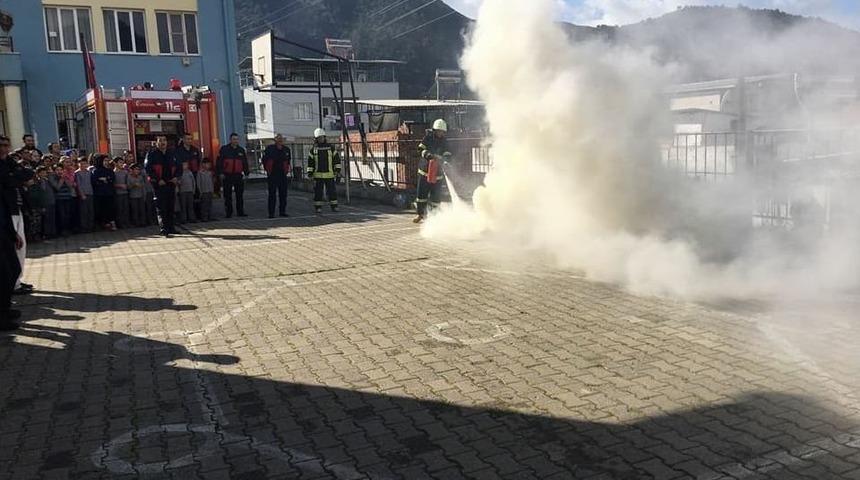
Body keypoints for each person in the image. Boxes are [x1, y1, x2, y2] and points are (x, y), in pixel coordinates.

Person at [0, 136, 24, 329]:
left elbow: (24, 175)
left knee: (13, 269)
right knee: (5, 273)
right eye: (1, 146)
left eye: (6, 146)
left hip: (3, 224)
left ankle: (5, 309)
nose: (5, 149)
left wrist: (11, 232)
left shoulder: (6, 164)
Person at [414, 119, 453, 223]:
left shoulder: (445, 141)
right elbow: (420, 149)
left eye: (442, 131)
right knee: (421, 195)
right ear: (434, 130)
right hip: (424, 172)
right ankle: (420, 214)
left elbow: (448, 153)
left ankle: (434, 216)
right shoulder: (427, 138)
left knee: (436, 197)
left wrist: (444, 159)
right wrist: (428, 155)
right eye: (439, 131)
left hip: (438, 174)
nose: (441, 133)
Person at [145, 136, 179, 237]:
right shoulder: (151, 154)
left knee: (170, 206)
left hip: (171, 183)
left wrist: (177, 177)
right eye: (160, 141)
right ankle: (163, 228)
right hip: (159, 185)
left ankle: (171, 227)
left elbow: (179, 167)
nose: (162, 142)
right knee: (161, 207)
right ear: (156, 143)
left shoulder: (172, 153)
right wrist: (157, 180)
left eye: (164, 140)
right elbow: (148, 169)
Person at [307, 128, 341, 214]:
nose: (321, 139)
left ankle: (334, 206)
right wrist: (310, 174)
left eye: (322, 137)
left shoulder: (331, 148)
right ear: (316, 139)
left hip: (329, 174)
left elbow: (336, 159)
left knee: (332, 192)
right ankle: (318, 207)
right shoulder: (313, 149)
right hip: (317, 175)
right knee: (318, 192)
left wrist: (337, 170)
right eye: (319, 138)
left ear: (324, 137)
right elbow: (310, 163)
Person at [216, 133, 249, 218]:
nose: (235, 141)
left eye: (237, 139)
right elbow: (219, 162)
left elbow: (244, 162)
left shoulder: (241, 150)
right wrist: (220, 173)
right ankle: (229, 212)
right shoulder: (224, 149)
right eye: (234, 139)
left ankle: (240, 212)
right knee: (227, 195)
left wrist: (246, 173)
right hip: (227, 175)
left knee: (239, 195)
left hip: (238, 175)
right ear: (230, 140)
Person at [262, 133, 292, 218]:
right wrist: (268, 171)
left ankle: (282, 212)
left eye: (281, 138)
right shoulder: (270, 149)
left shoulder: (286, 150)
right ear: (275, 140)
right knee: (272, 194)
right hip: (272, 175)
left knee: (283, 194)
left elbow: (288, 161)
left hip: (282, 175)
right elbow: (264, 160)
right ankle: (271, 213)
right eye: (278, 138)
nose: (280, 140)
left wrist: (286, 171)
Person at [91, 154, 116, 231]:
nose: (106, 162)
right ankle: (102, 224)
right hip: (99, 194)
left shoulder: (110, 170)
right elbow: (95, 181)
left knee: (110, 209)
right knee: (101, 209)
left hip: (109, 193)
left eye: (107, 161)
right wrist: (103, 180)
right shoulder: (95, 171)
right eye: (105, 161)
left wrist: (105, 180)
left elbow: (112, 179)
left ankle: (111, 223)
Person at [54, 158, 77, 236]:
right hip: (59, 199)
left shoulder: (67, 175)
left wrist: (65, 178)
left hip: (67, 197)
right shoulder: (55, 177)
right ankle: (62, 230)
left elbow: (70, 185)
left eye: (61, 170)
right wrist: (62, 178)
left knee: (68, 214)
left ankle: (68, 229)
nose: (60, 171)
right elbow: (57, 187)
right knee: (62, 214)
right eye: (58, 170)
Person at [75, 157, 95, 232]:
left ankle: (91, 226)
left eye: (85, 163)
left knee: (91, 211)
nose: (83, 165)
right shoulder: (77, 173)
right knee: (84, 211)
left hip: (90, 193)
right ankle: (84, 227)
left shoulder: (89, 172)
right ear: (78, 164)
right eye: (81, 163)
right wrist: (81, 194)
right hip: (83, 194)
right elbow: (78, 185)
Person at [39, 165, 57, 239]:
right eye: (42, 173)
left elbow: (55, 186)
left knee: (52, 218)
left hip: (51, 201)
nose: (44, 174)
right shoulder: (39, 182)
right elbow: (42, 192)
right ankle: (47, 233)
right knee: (47, 219)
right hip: (45, 203)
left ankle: (53, 232)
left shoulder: (48, 180)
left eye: (45, 173)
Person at [113, 156, 130, 228]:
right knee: (120, 209)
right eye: (120, 162)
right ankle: (120, 224)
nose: (122, 164)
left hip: (125, 193)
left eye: (122, 163)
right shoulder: (113, 172)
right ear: (115, 163)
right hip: (118, 194)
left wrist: (127, 185)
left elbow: (128, 182)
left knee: (126, 208)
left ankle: (126, 223)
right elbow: (112, 184)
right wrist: (119, 185)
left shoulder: (125, 172)